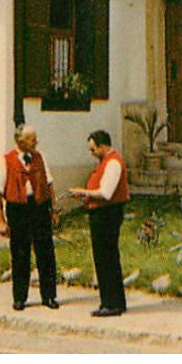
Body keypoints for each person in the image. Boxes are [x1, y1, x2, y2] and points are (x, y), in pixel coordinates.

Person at [0, 125, 59, 312]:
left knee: (45, 252)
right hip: (18, 209)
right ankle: (20, 297)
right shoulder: (5, 161)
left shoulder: (40, 157)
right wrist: (1, 220)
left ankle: (49, 296)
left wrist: (54, 210)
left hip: (39, 207)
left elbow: (50, 184)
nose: (35, 142)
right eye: (31, 139)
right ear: (20, 141)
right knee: (20, 254)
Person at [70, 129, 129, 317]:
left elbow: (106, 193)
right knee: (104, 258)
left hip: (107, 214)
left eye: (93, 149)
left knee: (106, 258)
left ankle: (112, 303)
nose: (92, 153)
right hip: (101, 213)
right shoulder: (105, 162)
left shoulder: (113, 162)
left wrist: (84, 192)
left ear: (103, 146)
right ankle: (112, 301)